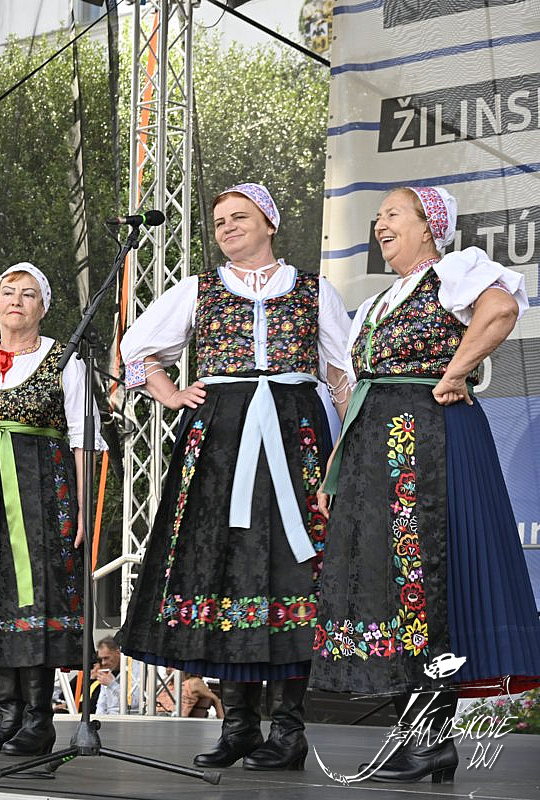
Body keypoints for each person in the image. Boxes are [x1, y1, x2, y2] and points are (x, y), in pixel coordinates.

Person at [116, 183, 352, 771]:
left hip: (297, 438)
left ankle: (289, 730)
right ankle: (239, 724)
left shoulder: (314, 290)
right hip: (221, 443)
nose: (226, 227)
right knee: (225, 569)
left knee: (295, 572)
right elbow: (136, 349)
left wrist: (346, 447)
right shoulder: (198, 289)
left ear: (270, 223)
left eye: (239, 217)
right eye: (220, 221)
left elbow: (343, 370)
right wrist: (171, 393)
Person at [313, 186, 540, 783]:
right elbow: (359, 391)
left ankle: (430, 738)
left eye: (393, 214)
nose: (380, 224)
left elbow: (501, 309)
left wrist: (455, 371)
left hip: (430, 444)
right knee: (391, 588)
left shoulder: (454, 272)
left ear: (428, 226)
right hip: (376, 453)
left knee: (427, 580)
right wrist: (338, 463)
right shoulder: (379, 302)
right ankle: (419, 737)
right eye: (378, 216)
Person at [0, 262, 104, 757]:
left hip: (39, 492)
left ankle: (38, 719)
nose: (16, 299)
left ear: (43, 308)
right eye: (8, 291)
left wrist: (82, 505)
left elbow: (84, 436)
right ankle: (7, 716)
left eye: (28, 293)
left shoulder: (63, 359)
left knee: (34, 597)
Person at [93, 635, 142, 715]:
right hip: (110, 717)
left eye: (106, 658)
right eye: (101, 659)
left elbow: (135, 703)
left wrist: (112, 684)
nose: (103, 663)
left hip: (130, 717)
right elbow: (101, 704)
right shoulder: (108, 671)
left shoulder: (136, 670)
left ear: (118, 653)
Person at [155, 672, 224, 718]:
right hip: (156, 715)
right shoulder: (167, 682)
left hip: (172, 717)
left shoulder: (193, 683)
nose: (168, 668)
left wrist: (222, 723)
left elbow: (215, 699)